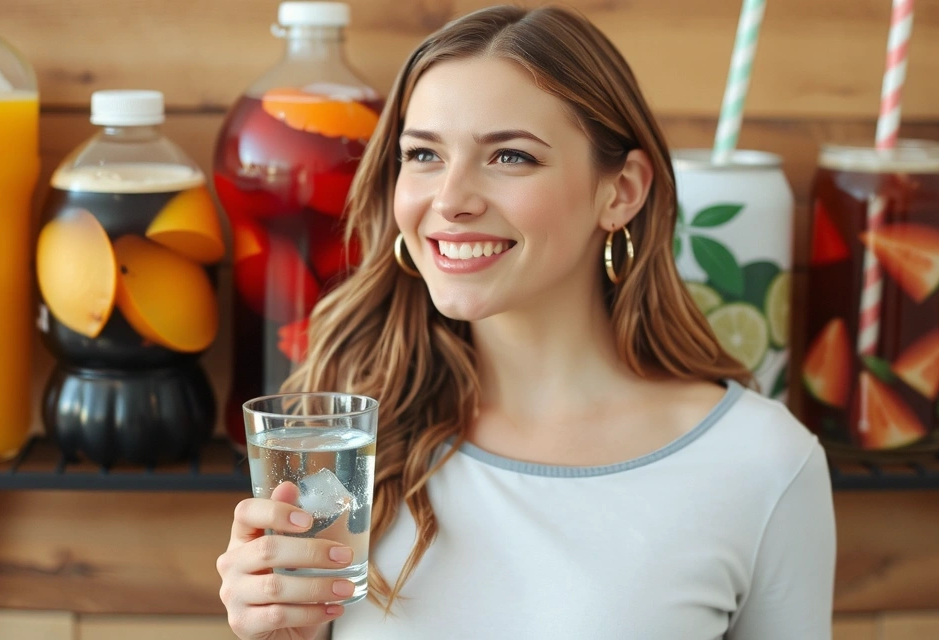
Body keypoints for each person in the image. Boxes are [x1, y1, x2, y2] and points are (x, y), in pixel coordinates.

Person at [216, 5, 836, 639]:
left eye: (510, 157)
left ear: (621, 191)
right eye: (424, 154)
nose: (450, 200)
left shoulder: (764, 463)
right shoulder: (344, 436)